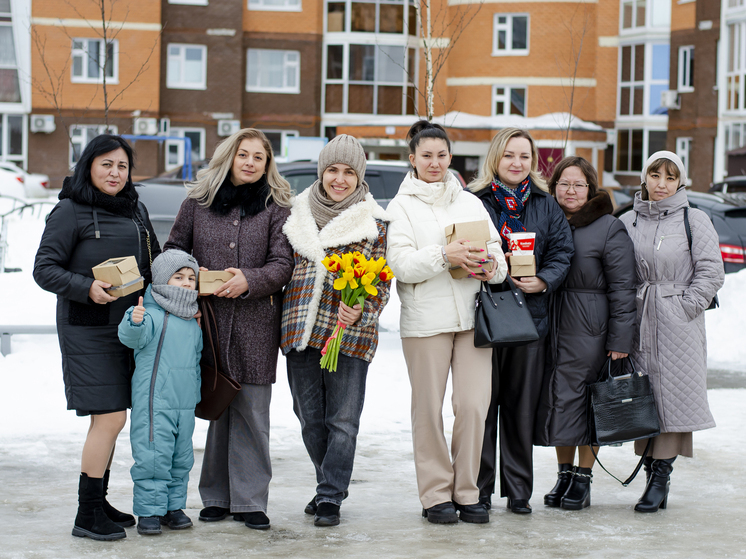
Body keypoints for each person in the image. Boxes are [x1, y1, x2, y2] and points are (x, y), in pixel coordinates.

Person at [164, 128, 294, 530]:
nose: (251, 162)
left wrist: (249, 280)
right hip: (206, 321)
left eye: (259, 157)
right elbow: (172, 250)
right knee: (217, 407)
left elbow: (282, 263)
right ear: (230, 157)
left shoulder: (276, 208)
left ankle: (251, 500)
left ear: (267, 164)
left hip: (257, 323)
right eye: (244, 155)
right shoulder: (198, 203)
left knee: (253, 411)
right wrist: (189, 272)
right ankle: (217, 497)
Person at [33, 134, 161, 541]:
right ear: (89, 165)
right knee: (110, 416)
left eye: (122, 166)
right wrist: (85, 286)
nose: (115, 173)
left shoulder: (135, 209)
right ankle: (86, 514)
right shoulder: (70, 211)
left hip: (128, 329)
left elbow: (152, 260)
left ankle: (99, 499)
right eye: (107, 164)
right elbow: (44, 268)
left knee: (112, 418)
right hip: (86, 327)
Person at [387, 120, 507, 525]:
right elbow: (400, 265)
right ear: (413, 160)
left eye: (441, 155)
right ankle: (436, 494)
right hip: (426, 323)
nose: (434, 163)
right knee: (429, 409)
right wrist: (445, 255)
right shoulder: (400, 206)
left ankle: (467, 491)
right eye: (426, 156)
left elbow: (500, 258)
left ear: (450, 158)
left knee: (473, 406)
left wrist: (491, 265)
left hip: (473, 319)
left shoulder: (470, 202)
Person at [280, 135, 390, 527]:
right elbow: (280, 269)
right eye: (332, 170)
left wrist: (361, 306)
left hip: (349, 335)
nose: (339, 179)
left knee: (342, 421)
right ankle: (326, 482)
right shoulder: (294, 215)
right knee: (310, 418)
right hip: (301, 333)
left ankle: (330, 496)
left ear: (358, 176)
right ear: (321, 171)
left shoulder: (374, 223)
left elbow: (381, 284)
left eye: (348, 172)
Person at [469, 128, 574, 514]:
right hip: (487, 315)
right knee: (482, 407)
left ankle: (518, 491)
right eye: (510, 155)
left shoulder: (546, 205)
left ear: (533, 162)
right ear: (496, 157)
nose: (517, 163)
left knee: (520, 407)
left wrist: (543, 279)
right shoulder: (474, 202)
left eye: (525, 157)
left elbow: (564, 251)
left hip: (531, 319)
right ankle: (477, 490)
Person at [619, 151, 723, 512]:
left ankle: (660, 477)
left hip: (678, 322)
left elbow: (711, 271)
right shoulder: (628, 220)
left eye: (670, 176)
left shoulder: (695, 219)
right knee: (642, 398)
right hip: (637, 319)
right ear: (644, 177)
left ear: (680, 182)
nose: (661, 184)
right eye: (655, 175)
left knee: (673, 399)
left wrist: (684, 306)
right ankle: (650, 469)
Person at [533, 156, 637, 510]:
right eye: (564, 183)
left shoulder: (609, 227)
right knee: (559, 401)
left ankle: (583, 477)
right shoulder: (547, 220)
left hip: (591, 328)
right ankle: (564, 473)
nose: (571, 191)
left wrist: (620, 340)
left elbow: (624, 288)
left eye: (579, 184)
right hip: (552, 326)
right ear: (554, 187)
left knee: (587, 404)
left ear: (591, 189)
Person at [117, 250, 203, 535]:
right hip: (155, 401)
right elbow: (132, 338)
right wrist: (135, 320)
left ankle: (173, 507)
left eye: (191, 278)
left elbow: (197, 357)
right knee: (153, 456)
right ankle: (149, 511)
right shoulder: (151, 314)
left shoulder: (193, 319)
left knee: (181, 458)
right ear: (163, 279)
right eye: (179, 277)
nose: (186, 283)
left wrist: (196, 393)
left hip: (184, 402)